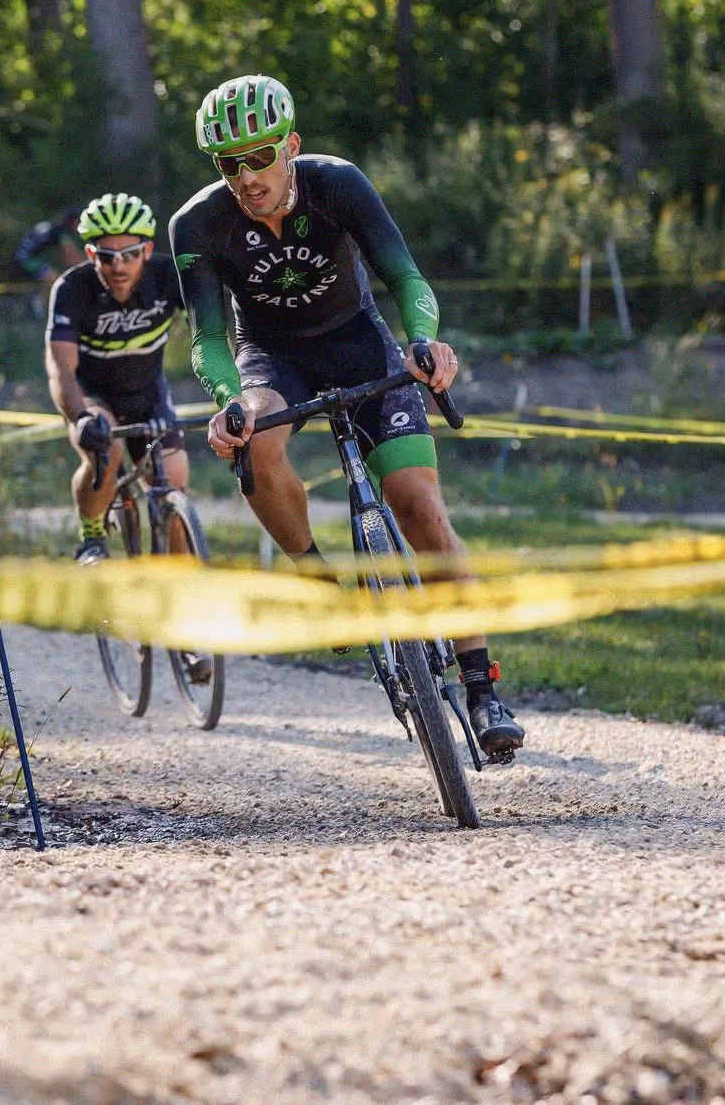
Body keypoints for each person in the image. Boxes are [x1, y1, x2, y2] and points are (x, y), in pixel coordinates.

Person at [169, 74, 525, 758]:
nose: (246, 177)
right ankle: (314, 572)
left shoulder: (339, 184)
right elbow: (210, 339)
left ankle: (483, 687)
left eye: (260, 156)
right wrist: (229, 404)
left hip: (358, 342)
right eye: (228, 163)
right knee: (259, 439)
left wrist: (427, 343)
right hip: (272, 359)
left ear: (292, 145)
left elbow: (406, 279)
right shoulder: (199, 224)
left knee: (420, 505)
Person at [44, 192, 191, 566]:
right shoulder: (72, 289)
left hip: (149, 394)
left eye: (129, 254)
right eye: (107, 257)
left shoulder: (167, 277)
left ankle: (186, 585)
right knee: (103, 453)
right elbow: (61, 369)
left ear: (147, 250)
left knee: (174, 481)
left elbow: (211, 332)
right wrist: (79, 416)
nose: (119, 266)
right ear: (91, 255)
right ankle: (91, 535)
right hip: (93, 397)